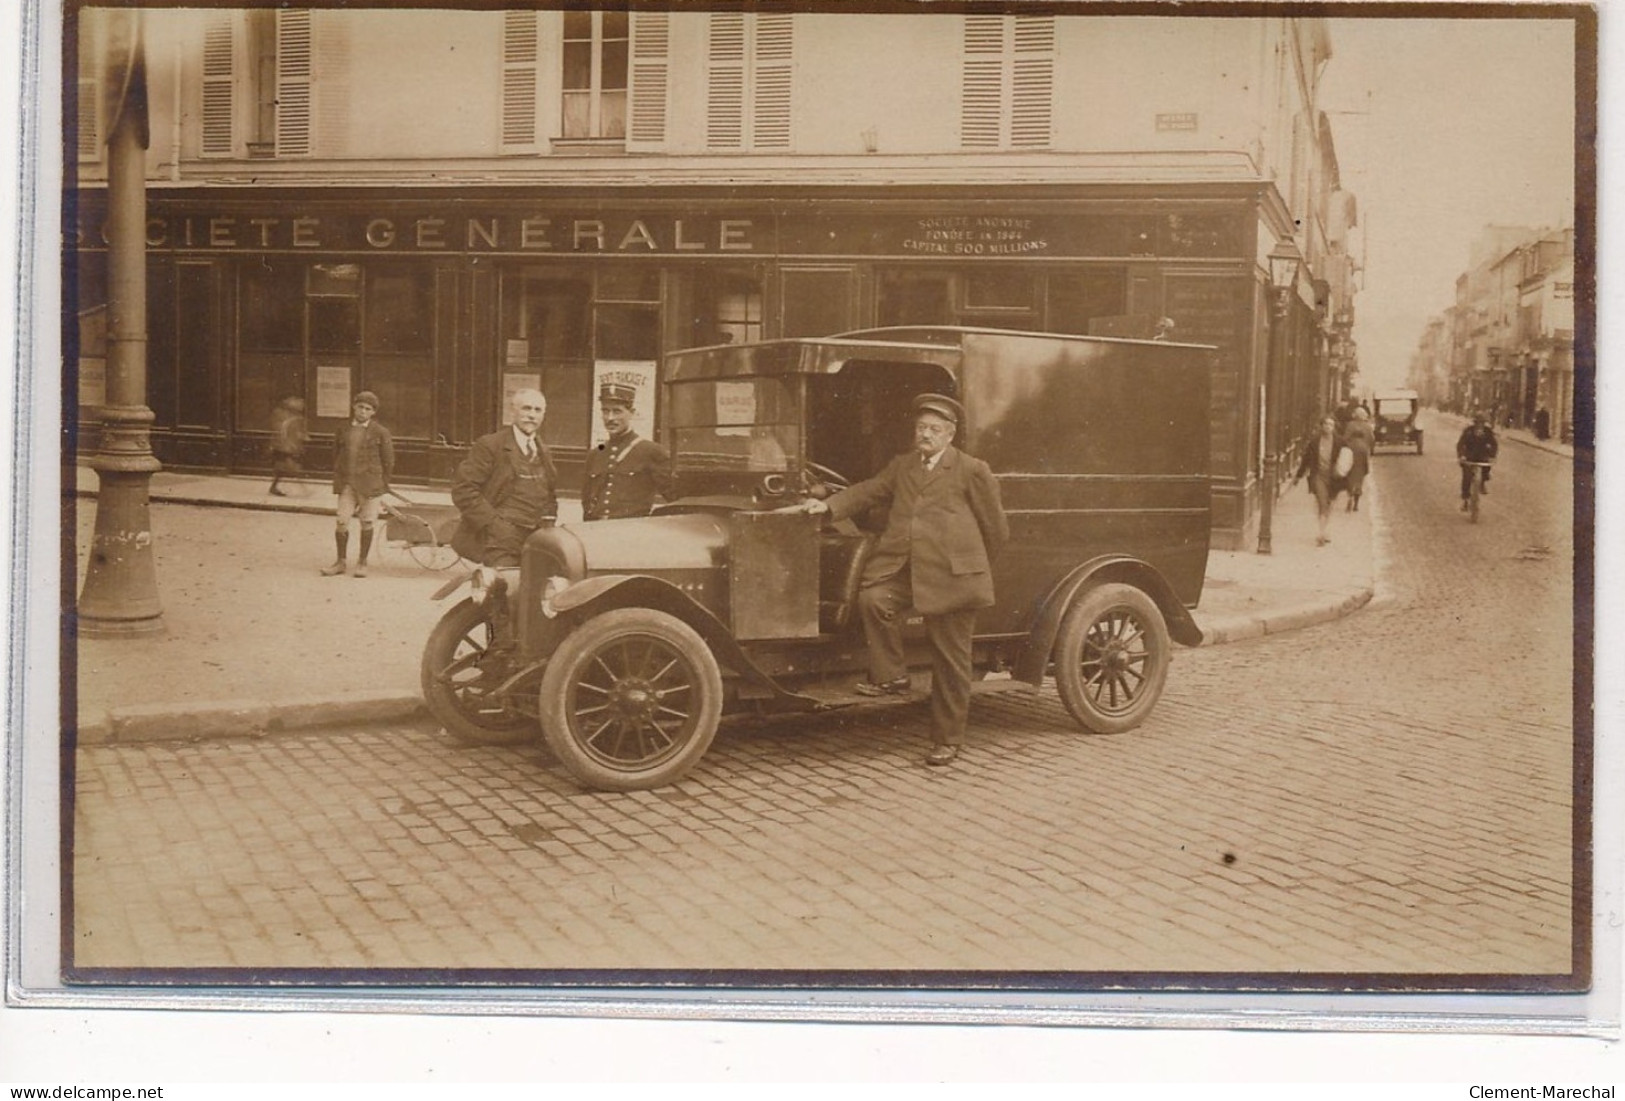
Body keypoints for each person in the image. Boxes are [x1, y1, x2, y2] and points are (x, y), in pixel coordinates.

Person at [798, 393, 1009, 767]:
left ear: (950, 435)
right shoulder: (904, 466)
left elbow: (996, 530)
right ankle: (892, 675)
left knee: (950, 663)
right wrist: (828, 506)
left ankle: (948, 741)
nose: (925, 435)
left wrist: (969, 567)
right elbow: (869, 490)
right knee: (874, 599)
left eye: (934, 429)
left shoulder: (971, 469)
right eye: (921, 428)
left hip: (953, 577)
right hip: (905, 570)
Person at [449, 388, 559, 568]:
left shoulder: (544, 451)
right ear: (512, 411)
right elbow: (464, 490)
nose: (531, 415)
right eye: (526, 408)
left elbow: (549, 493)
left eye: (537, 410)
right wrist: (493, 524)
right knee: (503, 589)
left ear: (544, 415)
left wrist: (549, 524)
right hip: (500, 541)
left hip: (535, 540)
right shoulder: (491, 445)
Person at [322, 391, 393, 578]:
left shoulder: (380, 432)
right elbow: (335, 454)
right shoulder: (342, 429)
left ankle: (362, 562)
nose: (363, 411)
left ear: (373, 413)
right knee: (342, 521)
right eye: (360, 407)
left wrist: (382, 485)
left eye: (368, 409)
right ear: (354, 407)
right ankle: (340, 562)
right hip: (347, 484)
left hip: (370, 485)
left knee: (367, 522)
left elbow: (388, 461)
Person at [582, 381, 674, 521]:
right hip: (597, 531)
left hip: (630, 533)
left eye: (617, 411)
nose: (610, 418)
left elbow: (673, 497)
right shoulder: (595, 454)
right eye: (605, 411)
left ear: (631, 413)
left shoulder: (651, 451)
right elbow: (587, 502)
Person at [1292, 413, 1343, 547]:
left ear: (1334, 427)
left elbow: (1346, 459)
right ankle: (1321, 533)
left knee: (1330, 504)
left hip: (1333, 478)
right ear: (1321, 426)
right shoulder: (1314, 442)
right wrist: (1298, 476)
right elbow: (1306, 460)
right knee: (1322, 503)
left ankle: (1325, 531)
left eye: (1331, 424)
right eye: (1326, 424)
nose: (1328, 427)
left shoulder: (1339, 441)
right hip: (1318, 476)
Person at [1456, 411, 1500, 510]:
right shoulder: (1468, 431)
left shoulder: (1488, 432)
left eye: (1482, 423)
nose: (1479, 425)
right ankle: (1465, 500)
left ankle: (1482, 482)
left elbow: (1494, 445)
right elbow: (1460, 444)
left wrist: (1492, 455)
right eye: (1478, 423)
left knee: (1486, 468)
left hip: (1482, 457)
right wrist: (1461, 455)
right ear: (1474, 423)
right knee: (1466, 478)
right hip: (1469, 457)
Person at [268, 395, 308, 497]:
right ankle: (302, 488)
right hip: (283, 446)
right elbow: (281, 431)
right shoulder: (282, 414)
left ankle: (274, 487)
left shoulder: (292, 415)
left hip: (284, 445)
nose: (301, 405)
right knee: (290, 467)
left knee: (282, 469)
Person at [1341, 405, 1375, 512]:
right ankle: (1356, 502)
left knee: (1349, 475)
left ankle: (1350, 494)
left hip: (1351, 452)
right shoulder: (1368, 426)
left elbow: (1345, 439)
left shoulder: (1350, 425)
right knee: (1360, 477)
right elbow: (1372, 440)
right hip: (1363, 453)